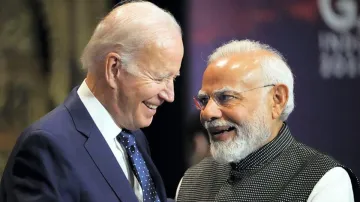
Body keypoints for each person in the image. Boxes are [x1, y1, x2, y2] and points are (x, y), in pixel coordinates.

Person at [0, 1, 183, 202]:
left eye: (173, 78)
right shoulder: (45, 148)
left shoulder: (132, 137)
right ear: (114, 69)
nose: (170, 95)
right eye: (159, 78)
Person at [176, 40, 359, 201]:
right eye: (204, 101)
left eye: (225, 97)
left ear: (277, 99)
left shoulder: (323, 181)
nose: (208, 113)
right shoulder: (191, 182)